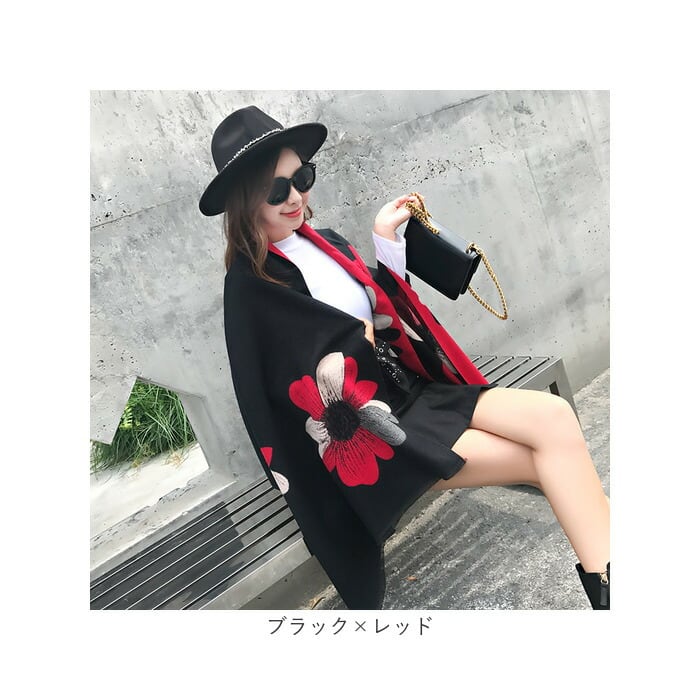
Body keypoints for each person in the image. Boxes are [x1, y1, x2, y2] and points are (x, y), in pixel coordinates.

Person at [199, 105, 610, 610]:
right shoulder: (251, 286)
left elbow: (383, 316)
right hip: (378, 435)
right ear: (245, 202)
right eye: (276, 190)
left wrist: (385, 242)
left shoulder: (326, 242)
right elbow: (287, 388)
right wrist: (357, 341)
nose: (296, 197)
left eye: (302, 178)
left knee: (555, 418)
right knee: (547, 460)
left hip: (413, 392)